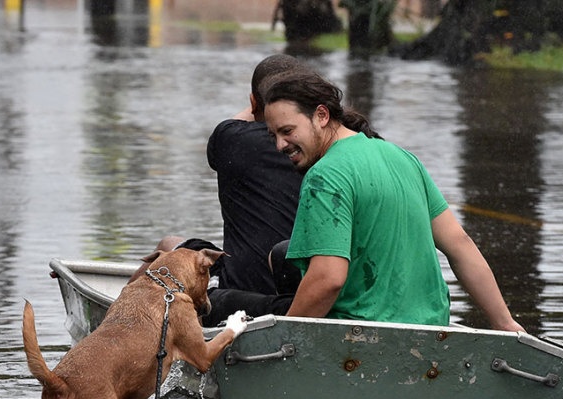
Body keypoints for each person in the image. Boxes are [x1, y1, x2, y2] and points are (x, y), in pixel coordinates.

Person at [261, 69, 525, 332]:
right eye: (273, 135)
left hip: (362, 338)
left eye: (287, 131)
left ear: (321, 116)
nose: (280, 146)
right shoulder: (401, 157)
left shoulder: (325, 175)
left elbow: (328, 278)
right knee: (287, 254)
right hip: (434, 332)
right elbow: (460, 244)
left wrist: (285, 336)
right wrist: (505, 322)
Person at [131, 55, 307, 326]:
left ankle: (117, 313)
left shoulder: (234, 139)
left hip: (245, 298)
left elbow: (233, 123)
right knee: (172, 243)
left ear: (253, 102)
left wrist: (260, 103)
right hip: (309, 291)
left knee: (168, 246)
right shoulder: (329, 150)